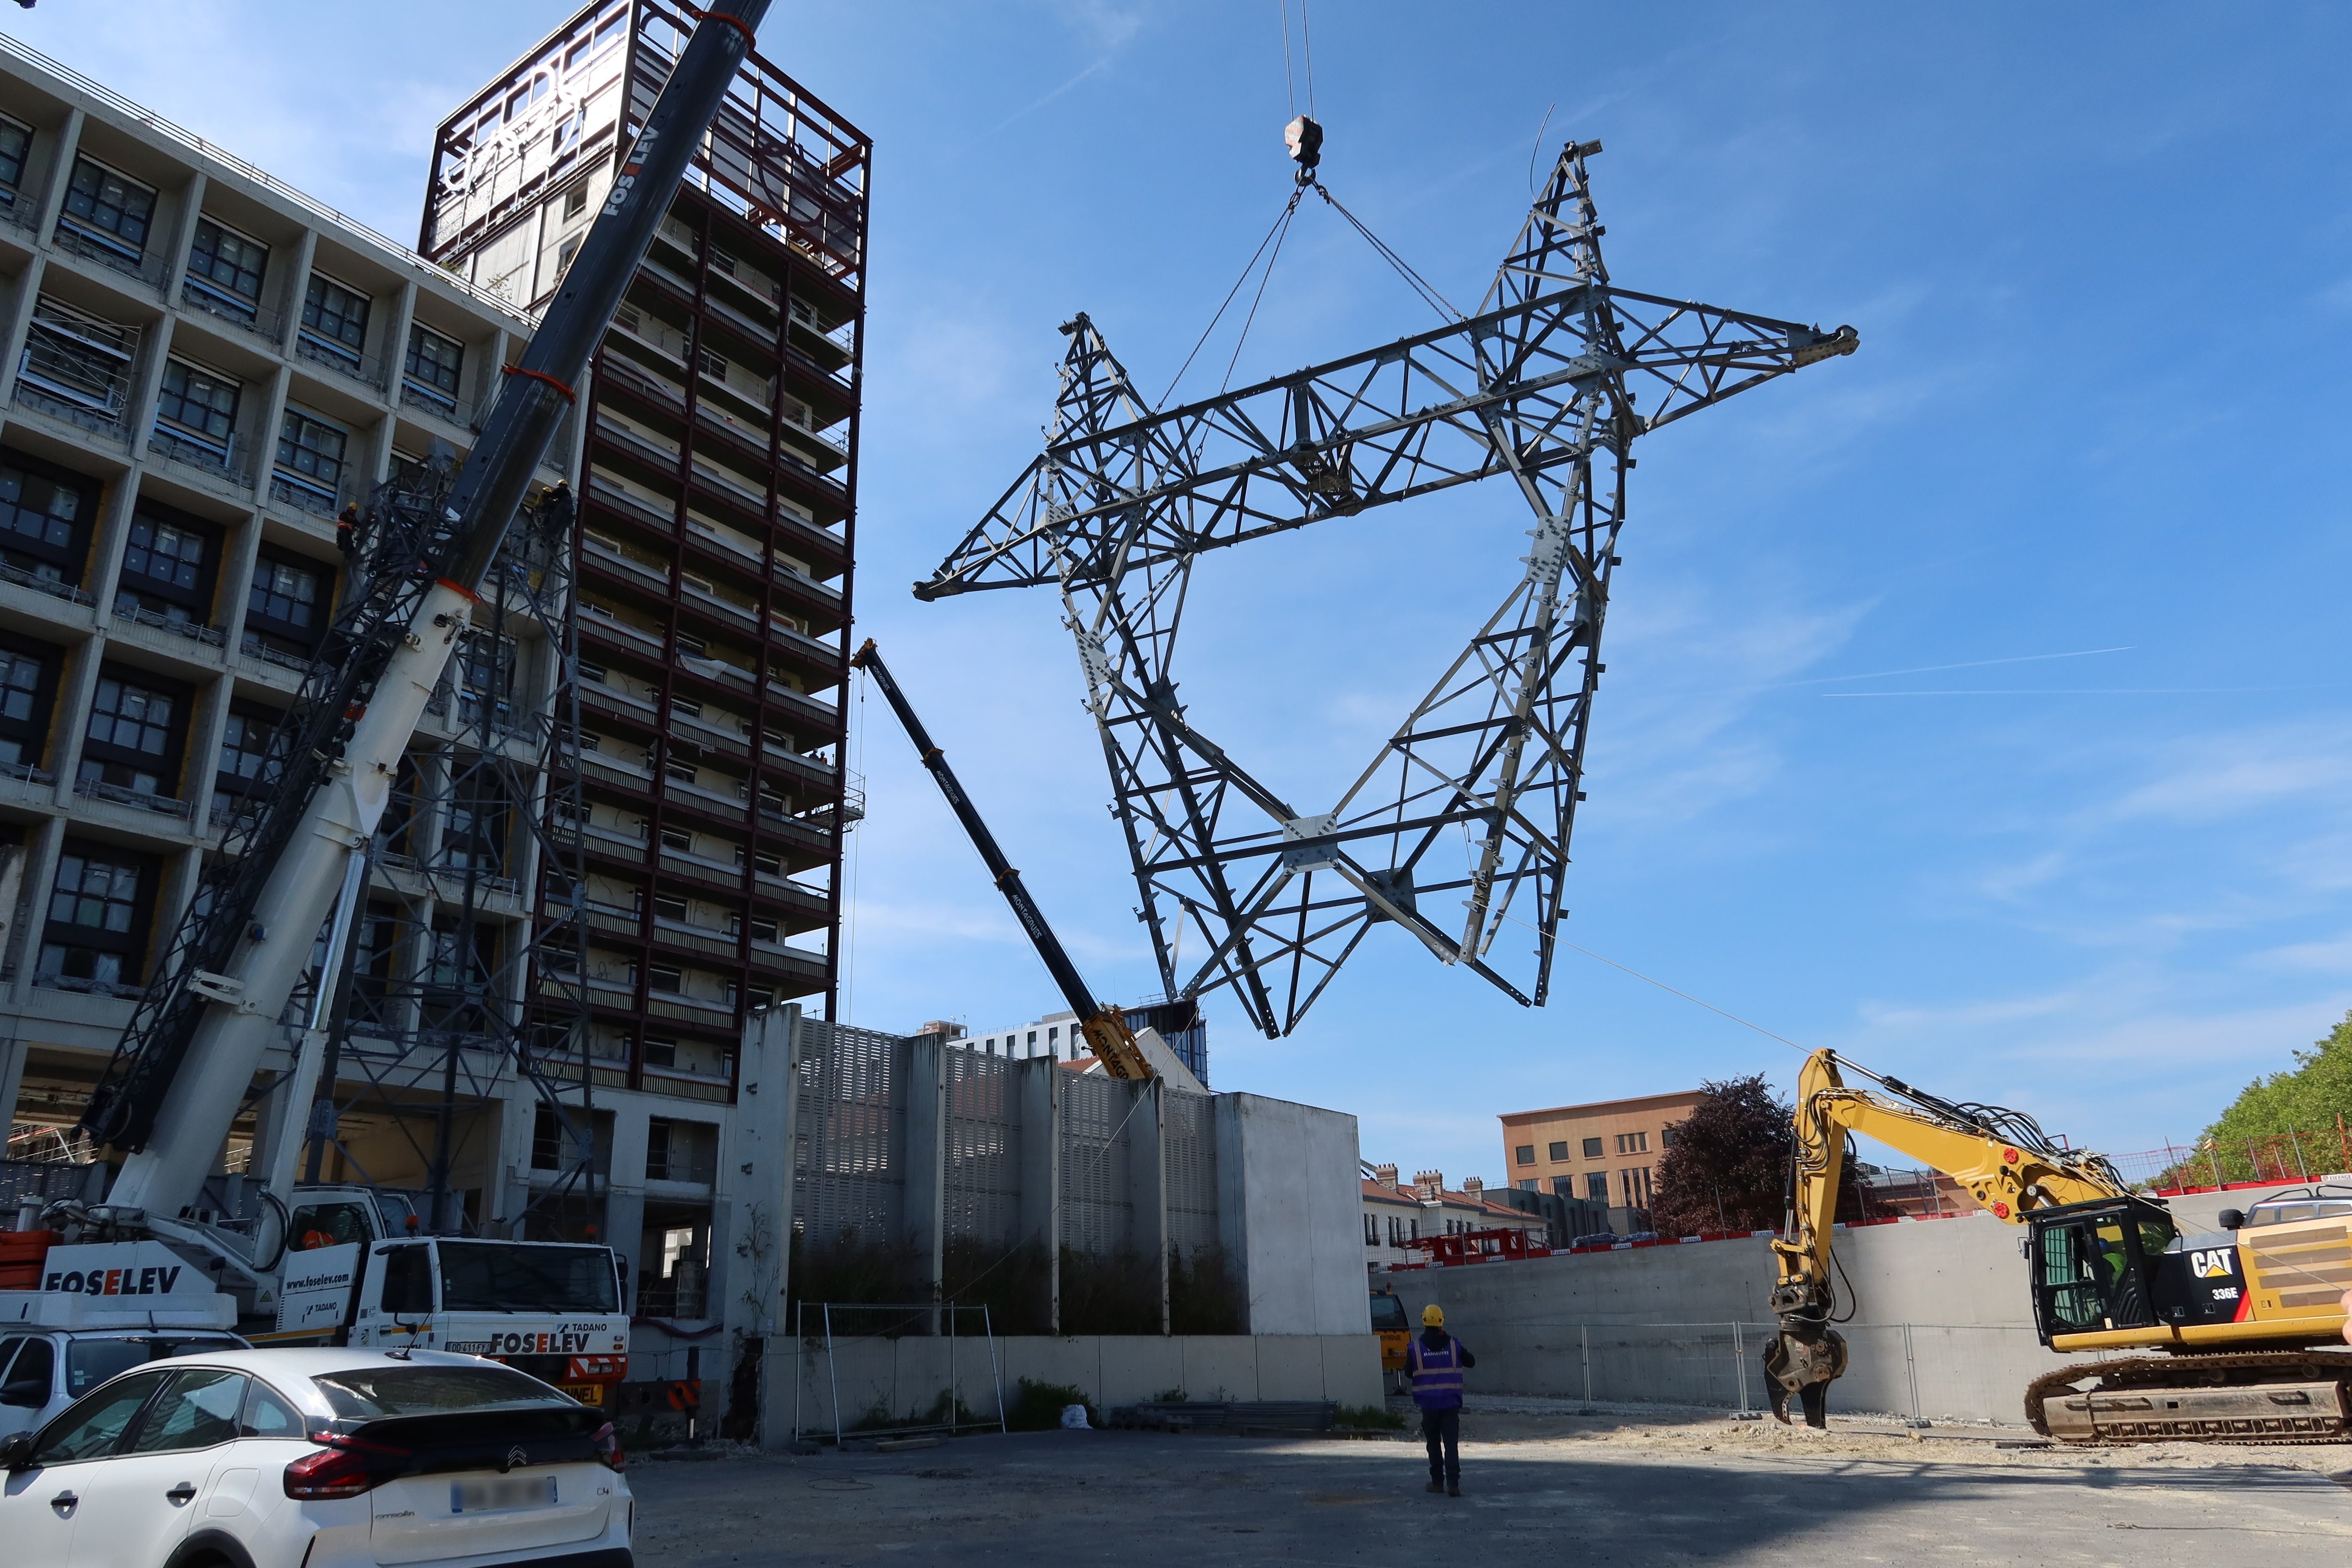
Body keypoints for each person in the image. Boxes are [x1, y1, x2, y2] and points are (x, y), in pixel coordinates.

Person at [1406, 1303, 1473, 1496]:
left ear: (1424, 1321)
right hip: (1450, 1403)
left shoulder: (1416, 1348)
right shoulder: (1454, 1344)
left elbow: (1408, 1373)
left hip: (1429, 1404)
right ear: (1442, 1320)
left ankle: (1437, 1483)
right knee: (1451, 1443)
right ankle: (1453, 1484)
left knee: (1433, 1442)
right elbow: (1471, 1362)